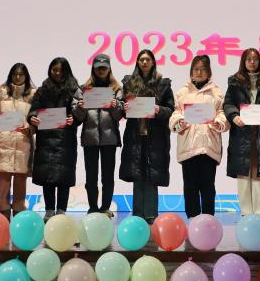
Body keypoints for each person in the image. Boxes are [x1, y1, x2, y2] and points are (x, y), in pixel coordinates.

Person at [223, 48, 260, 216]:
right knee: (243, 174)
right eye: (248, 59)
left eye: (255, 59)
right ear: (244, 61)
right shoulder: (234, 82)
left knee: (259, 173)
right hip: (241, 134)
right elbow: (228, 104)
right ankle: (246, 213)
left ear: (259, 61)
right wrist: (234, 116)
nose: (252, 62)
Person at [169, 55, 228, 218]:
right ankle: (193, 219)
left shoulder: (217, 92)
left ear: (209, 72)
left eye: (203, 69)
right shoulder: (182, 92)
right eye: (196, 69)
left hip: (209, 145)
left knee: (208, 186)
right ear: (191, 71)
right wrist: (179, 121)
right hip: (188, 145)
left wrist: (219, 122)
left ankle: (208, 219)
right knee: (190, 186)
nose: (199, 72)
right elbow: (175, 112)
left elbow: (222, 113)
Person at [120, 49, 174, 224]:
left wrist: (159, 110)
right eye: (141, 59)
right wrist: (123, 108)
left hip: (155, 136)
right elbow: (122, 107)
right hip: (135, 136)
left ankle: (151, 215)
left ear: (153, 62)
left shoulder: (163, 83)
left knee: (152, 175)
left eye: (147, 59)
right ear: (137, 62)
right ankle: (137, 214)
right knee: (137, 174)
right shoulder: (128, 82)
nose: (144, 62)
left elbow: (171, 109)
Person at [28, 57, 81, 220]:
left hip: (66, 139)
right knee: (47, 177)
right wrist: (32, 117)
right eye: (54, 70)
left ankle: (62, 211)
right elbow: (33, 109)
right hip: (46, 138)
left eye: (61, 70)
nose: (57, 73)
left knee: (64, 176)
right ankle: (49, 210)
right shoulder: (42, 90)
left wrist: (74, 118)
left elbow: (81, 110)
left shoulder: (75, 89)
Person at [72, 54, 124, 217]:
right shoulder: (83, 89)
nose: (101, 70)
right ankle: (93, 207)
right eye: (98, 67)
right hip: (90, 138)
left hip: (110, 138)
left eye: (104, 67)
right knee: (91, 176)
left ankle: (106, 207)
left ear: (109, 69)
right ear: (93, 69)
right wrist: (80, 108)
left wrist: (116, 106)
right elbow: (77, 118)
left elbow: (120, 115)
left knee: (108, 176)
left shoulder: (117, 89)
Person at [0, 63, 36, 219]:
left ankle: (19, 212)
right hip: (4, 143)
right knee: (4, 181)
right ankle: (3, 214)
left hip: (23, 143)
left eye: (21, 74)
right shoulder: (2, 93)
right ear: (11, 76)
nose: (18, 77)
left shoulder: (33, 95)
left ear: (26, 76)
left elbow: (36, 118)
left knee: (21, 180)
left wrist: (31, 128)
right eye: (15, 74)